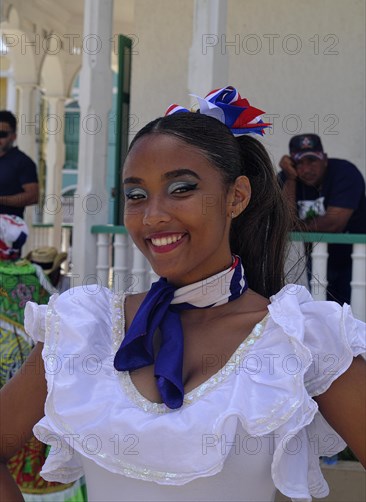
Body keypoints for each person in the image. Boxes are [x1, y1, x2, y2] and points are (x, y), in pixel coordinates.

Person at [0, 87, 365, 502]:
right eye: (136, 195)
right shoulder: (86, 328)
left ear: (236, 197)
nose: (153, 215)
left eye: (182, 188)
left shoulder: (304, 339)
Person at [278, 133, 366, 305]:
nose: (307, 169)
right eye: (299, 163)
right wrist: (290, 179)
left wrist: (296, 228)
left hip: (354, 260)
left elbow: (334, 223)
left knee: (354, 316)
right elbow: (285, 222)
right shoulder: (287, 179)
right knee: (323, 318)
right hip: (316, 261)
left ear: (324, 159)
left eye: (312, 161)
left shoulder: (344, 173)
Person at [0, 110, 39, 220]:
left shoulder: (23, 162)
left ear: (14, 136)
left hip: (8, 230)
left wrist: (2, 200)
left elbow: (33, 196)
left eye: (2, 134)